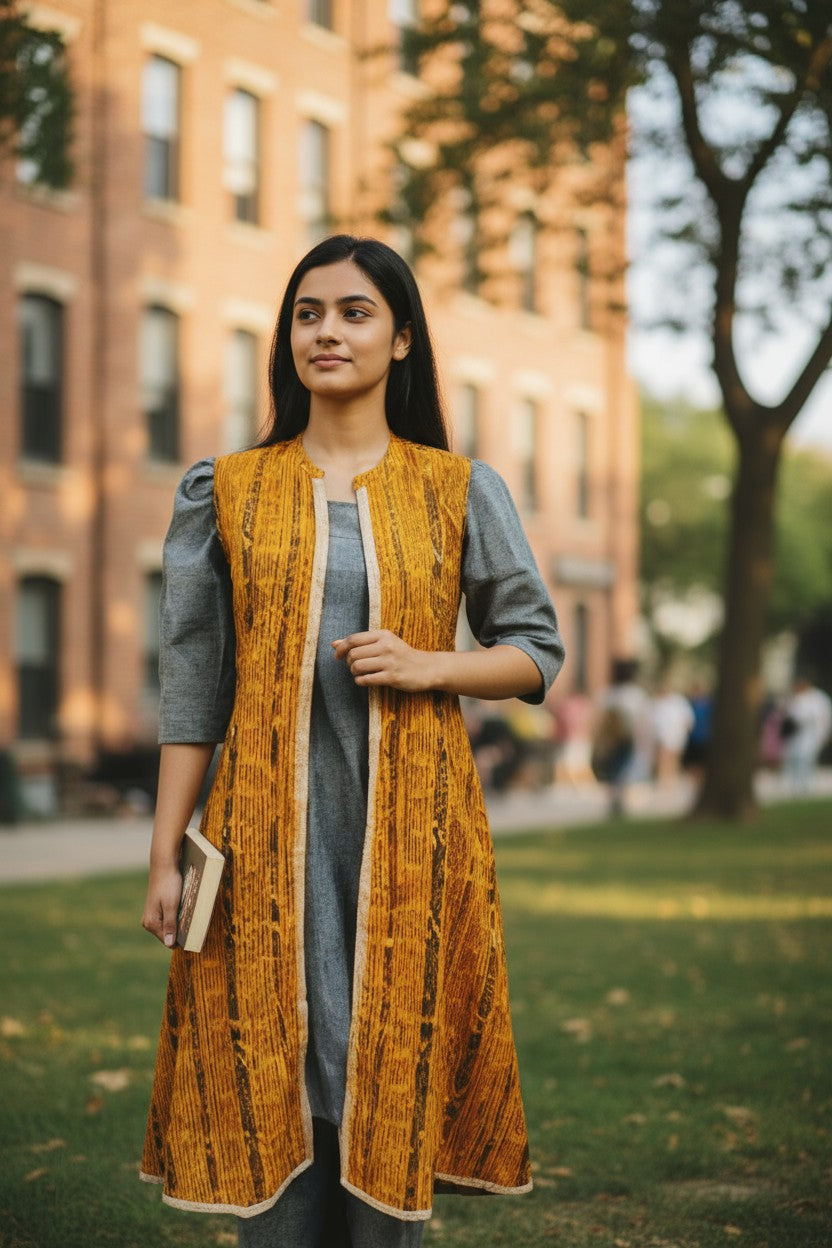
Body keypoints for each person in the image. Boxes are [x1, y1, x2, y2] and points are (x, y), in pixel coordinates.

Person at [139, 235, 564, 1247]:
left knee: (383, 1081)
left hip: (414, 841)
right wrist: (166, 853)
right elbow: (195, 683)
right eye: (308, 313)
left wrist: (432, 664)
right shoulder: (224, 490)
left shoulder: (461, 488)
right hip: (254, 845)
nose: (327, 331)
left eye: (355, 312)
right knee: (272, 1087)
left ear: (402, 339)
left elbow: (537, 652)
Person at [592, 659, 652, 817]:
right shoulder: (636, 694)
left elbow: (598, 721)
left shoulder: (606, 693)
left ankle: (614, 802)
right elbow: (641, 722)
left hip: (611, 741)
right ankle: (621, 801)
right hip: (627, 739)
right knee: (625, 770)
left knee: (612, 771)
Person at [779, 675, 832, 795]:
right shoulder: (794, 697)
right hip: (794, 734)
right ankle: (794, 786)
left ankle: (804, 786)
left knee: (806, 759)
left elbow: (823, 718)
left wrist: (823, 735)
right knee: (794, 760)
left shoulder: (818, 698)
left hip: (810, 734)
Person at [650, 680, 695, 786]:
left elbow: (688, 720)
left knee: (672, 759)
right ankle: (664, 781)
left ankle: (669, 781)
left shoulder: (678, 701)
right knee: (664, 759)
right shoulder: (658, 703)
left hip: (676, 736)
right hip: (664, 737)